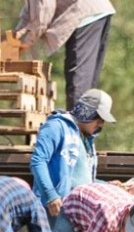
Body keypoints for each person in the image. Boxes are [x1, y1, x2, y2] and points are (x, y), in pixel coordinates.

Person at [30, 88, 115, 223]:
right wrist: (51, 195)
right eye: (99, 118)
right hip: (54, 210)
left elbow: (82, 179)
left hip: (75, 212)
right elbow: (38, 161)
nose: (101, 124)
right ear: (88, 112)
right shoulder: (56, 126)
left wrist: (109, 186)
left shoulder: (86, 139)